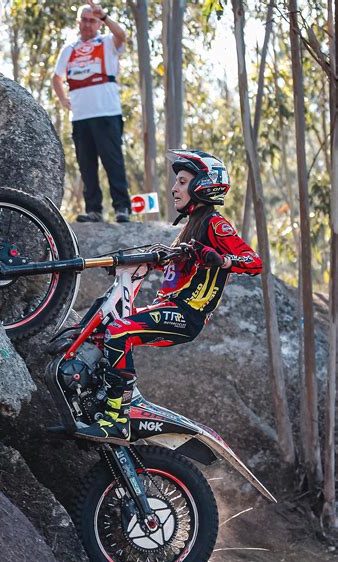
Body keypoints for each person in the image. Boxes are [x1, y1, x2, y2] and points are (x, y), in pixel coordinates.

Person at [75, 149, 263, 445]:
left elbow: (254, 261)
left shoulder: (215, 224)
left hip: (187, 315)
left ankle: (117, 418)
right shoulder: (188, 227)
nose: (175, 188)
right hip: (168, 307)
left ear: (203, 184)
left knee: (119, 332)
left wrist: (221, 259)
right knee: (104, 319)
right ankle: (95, 399)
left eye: (182, 181)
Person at [52, 1, 132, 224]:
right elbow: (56, 78)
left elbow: (122, 35)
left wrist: (104, 16)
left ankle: (122, 207)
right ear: (78, 22)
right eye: (84, 20)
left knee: (113, 161)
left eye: (92, 21)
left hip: (107, 112)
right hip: (80, 115)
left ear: (98, 23)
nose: (88, 25)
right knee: (86, 165)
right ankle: (94, 210)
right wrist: (63, 99)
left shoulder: (107, 42)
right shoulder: (69, 49)